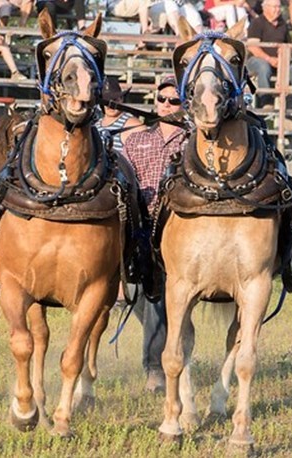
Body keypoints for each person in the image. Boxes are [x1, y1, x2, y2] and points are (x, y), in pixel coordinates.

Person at [122, 76, 186, 393]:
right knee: (137, 295)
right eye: (162, 99)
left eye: (174, 101)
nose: (166, 105)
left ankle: (155, 369)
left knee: (157, 295)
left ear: (185, 105)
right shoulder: (135, 141)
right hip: (139, 225)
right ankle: (172, 336)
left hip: (175, 229)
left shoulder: (192, 142)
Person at [246, 0, 292, 112]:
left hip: (280, 60)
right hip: (258, 59)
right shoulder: (257, 23)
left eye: (279, 7)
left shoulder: (282, 24)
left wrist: (285, 54)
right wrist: (269, 59)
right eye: (274, 7)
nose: (277, 10)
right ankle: (266, 101)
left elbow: (289, 44)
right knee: (263, 67)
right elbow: (253, 47)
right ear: (265, 8)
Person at [96, 76, 143, 156]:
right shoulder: (96, 126)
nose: (110, 105)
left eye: (114, 100)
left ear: (121, 99)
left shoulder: (133, 125)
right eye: (106, 101)